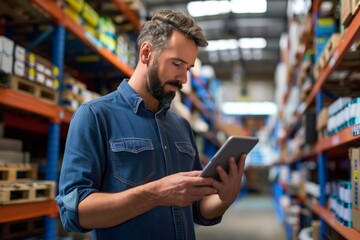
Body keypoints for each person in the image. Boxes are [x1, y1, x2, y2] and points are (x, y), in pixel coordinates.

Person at [56, 9, 246, 240]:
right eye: (177, 64)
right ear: (146, 52)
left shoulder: (181, 126)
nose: (183, 78)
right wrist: (156, 193)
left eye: (188, 68)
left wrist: (225, 197)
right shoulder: (94, 116)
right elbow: (74, 214)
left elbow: (198, 209)